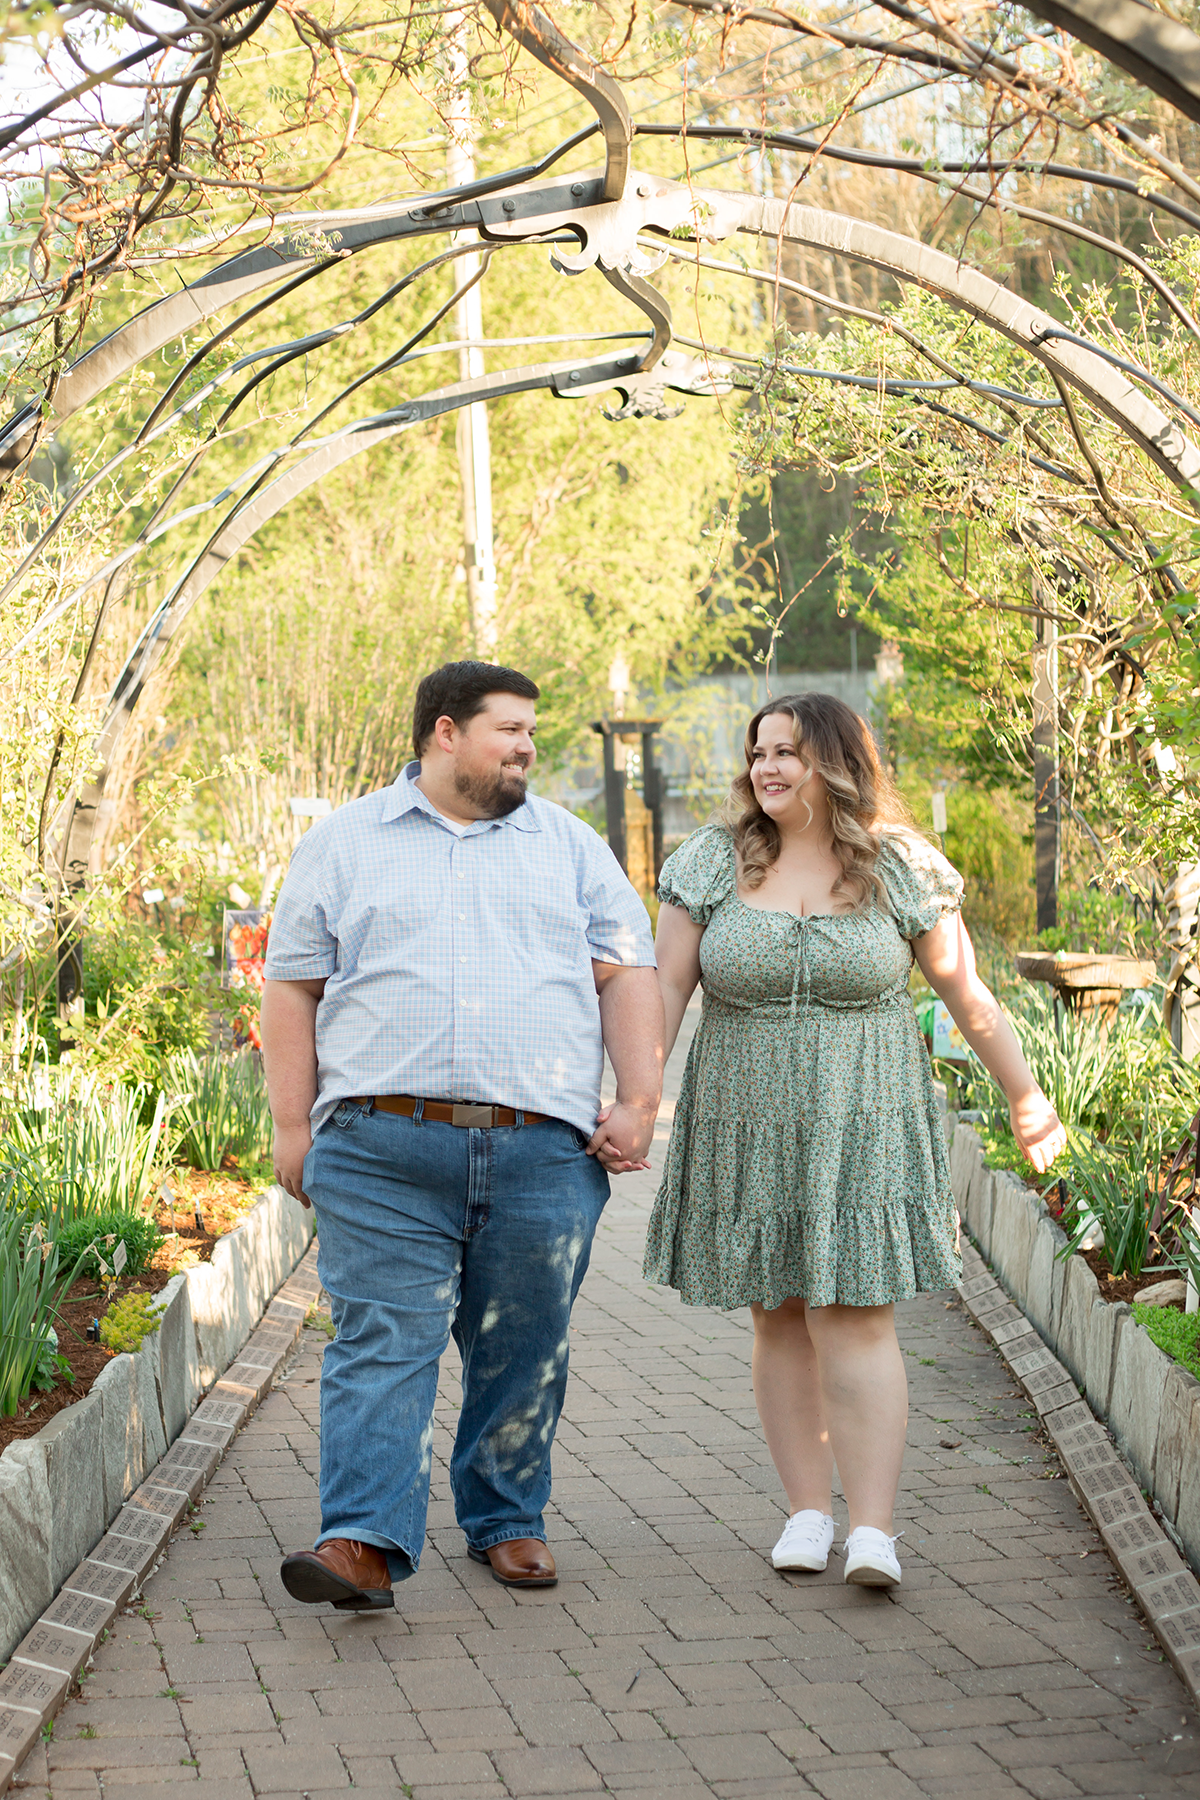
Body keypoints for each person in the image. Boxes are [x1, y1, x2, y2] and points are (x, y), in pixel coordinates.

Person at [262, 661, 663, 1611]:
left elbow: (628, 970)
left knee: (521, 1346)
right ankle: (360, 1541)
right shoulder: (345, 843)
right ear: (445, 732)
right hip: (381, 1146)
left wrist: (639, 1099)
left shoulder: (567, 847)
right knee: (380, 1340)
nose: (528, 746)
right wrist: (290, 1126)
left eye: (531, 730)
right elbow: (292, 988)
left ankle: (507, 1519)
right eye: (510, 729)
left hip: (540, 1154)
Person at [645, 692, 1065, 1589]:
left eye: (787, 752)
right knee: (779, 1311)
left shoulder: (899, 867)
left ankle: (873, 1530)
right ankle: (806, 1511)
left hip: (863, 1120)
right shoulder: (713, 862)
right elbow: (663, 995)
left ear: (835, 760)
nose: (766, 768)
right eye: (758, 753)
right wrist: (636, 1100)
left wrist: (1027, 1098)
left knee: (855, 1312)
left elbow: (968, 999)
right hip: (743, 1119)